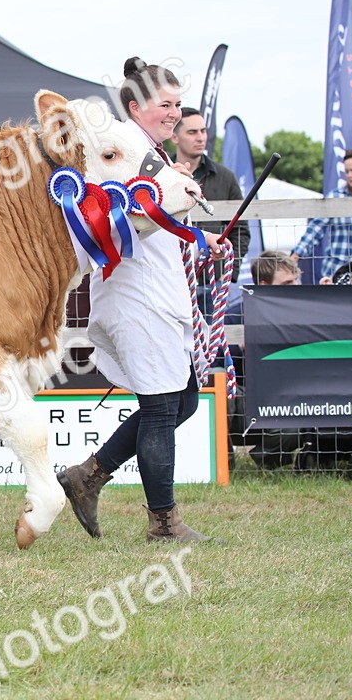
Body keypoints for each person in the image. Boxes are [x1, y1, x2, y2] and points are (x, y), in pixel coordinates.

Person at [57, 56, 226, 544]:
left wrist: (198, 238)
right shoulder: (122, 150)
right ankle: (164, 523)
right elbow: (123, 217)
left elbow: (150, 220)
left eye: (177, 104)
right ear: (135, 107)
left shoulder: (151, 154)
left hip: (153, 293)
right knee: (159, 408)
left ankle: (88, 474)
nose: (174, 113)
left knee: (186, 400)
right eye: (164, 105)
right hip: (138, 297)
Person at [171, 107, 249, 287]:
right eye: (192, 132)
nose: (200, 137)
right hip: (171, 278)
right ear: (174, 137)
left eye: (203, 131)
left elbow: (241, 230)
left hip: (211, 281)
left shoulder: (226, 177)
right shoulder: (163, 173)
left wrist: (231, 271)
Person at [291, 147, 352, 282]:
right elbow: (315, 229)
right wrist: (296, 255)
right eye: (347, 171)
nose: (349, 175)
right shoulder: (336, 196)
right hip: (336, 272)